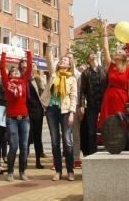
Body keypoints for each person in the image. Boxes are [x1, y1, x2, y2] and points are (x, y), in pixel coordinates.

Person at [41, 45, 78, 181]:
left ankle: (70, 170)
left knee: (67, 142)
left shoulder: (72, 79)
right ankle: (58, 171)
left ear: (69, 65)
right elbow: (49, 59)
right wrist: (49, 43)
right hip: (51, 110)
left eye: (65, 60)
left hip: (66, 110)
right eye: (61, 59)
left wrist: (72, 113)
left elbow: (74, 96)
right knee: (55, 142)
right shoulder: (53, 74)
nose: (62, 61)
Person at [1, 50, 34, 181]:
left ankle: (22, 171)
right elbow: (2, 68)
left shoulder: (24, 81)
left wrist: (29, 55)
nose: (15, 72)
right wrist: (4, 54)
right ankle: (10, 172)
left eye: (17, 71)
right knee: (14, 146)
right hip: (12, 119)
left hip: (24, 118)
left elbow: (30, 67)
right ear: (9, 75)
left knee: (24, 146)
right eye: (12, 71)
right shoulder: (7, 83)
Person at [98, 24, 129, 130]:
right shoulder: (111, 66)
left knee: (122, 123)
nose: (116, 52)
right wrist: (104, 31)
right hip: (109, 97)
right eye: (116, 51)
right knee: (109, 124)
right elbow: (105, 48)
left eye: (119, 52)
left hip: (122, 99)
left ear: (124, 57)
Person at [78, 51, 107, 156]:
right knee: (91, 131)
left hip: (104, 104)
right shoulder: (85, 73)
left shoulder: (104, 71)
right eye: (91, 57)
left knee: (106, 127)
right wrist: (81, 105)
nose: (93, 57)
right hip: (92, 105)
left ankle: (109, 150)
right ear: (88, 61)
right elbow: (82, 91)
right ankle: (92, 153)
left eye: (94, 56)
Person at [26, 63, 47, 168]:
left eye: (33, 66)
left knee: (37, 136)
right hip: (27, 110)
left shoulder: (38, 79)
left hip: (37, 110)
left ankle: (38, 161)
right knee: (27, 136)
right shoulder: (24, 80)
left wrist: (40, 78)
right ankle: (24, 160)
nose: (31, 68)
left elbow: (44, 92)